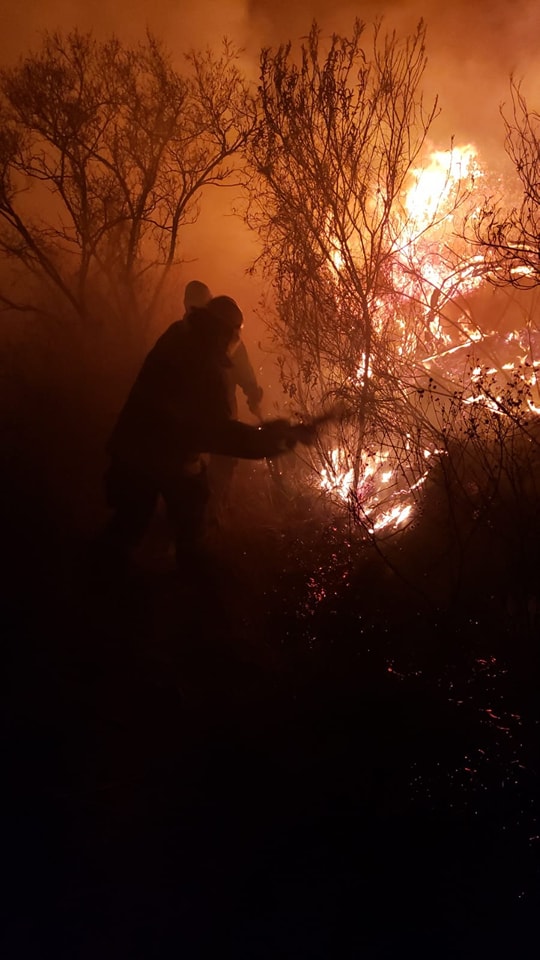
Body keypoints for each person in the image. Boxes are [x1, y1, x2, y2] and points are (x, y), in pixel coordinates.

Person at [102, 295, 315, 571]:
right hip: (161, 456)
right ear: (227, 332)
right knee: (187, 520)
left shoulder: (178, 337)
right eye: (235, 334)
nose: (236, 341)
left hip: (134, 447)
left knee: (128, 524)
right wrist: (280, 437)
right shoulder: (204, 367)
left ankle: (96, 585)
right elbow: (220, 433)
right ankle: (189, 585)